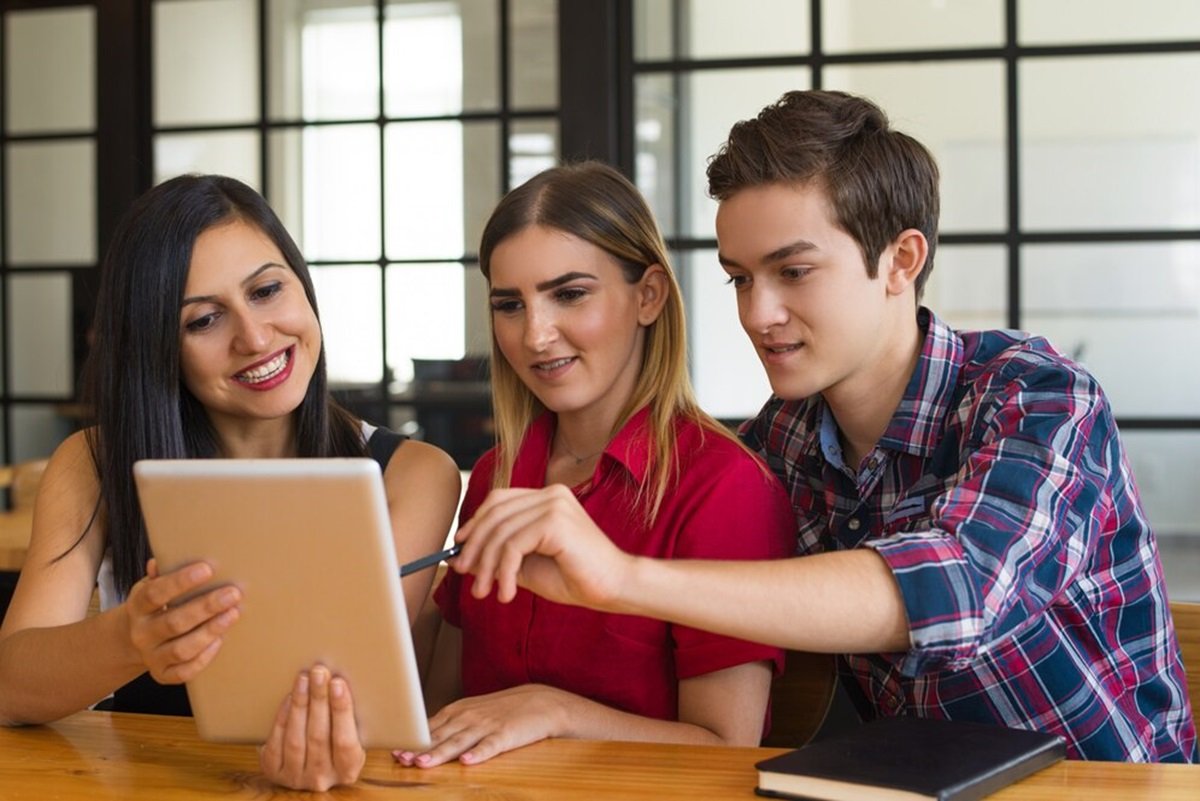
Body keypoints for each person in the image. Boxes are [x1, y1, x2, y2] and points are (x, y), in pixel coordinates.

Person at [445, 91, 1198, 763]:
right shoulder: (783, 441)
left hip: (1111, 786)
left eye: (793, 272)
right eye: (740, 277)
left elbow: (960, 586)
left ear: (901, 260)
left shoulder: (1037, 396)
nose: (756, 313)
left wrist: (620, 578)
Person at [0, 174, 463, 790]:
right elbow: (10, 687)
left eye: (267, 290)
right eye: (204, 320)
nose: (254, 337)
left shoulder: (412, 474)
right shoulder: (93, 462)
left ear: (303, 284)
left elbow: (357, 699)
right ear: (157, 346)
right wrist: (132, 636)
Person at [395, 162, 795, 768]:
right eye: (510, 304)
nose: (535, 335)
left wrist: (554, 712)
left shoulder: (724, 488)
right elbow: (442, 712)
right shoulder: (496, 478)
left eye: (569, 294)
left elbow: (727, 747)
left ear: (649, 296)